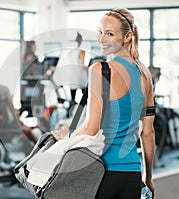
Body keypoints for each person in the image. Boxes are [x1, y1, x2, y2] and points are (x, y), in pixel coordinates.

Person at [53, 8, 155, 199]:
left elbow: (91, 129)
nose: (101, 39)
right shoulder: (145, 74)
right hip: (132, 173)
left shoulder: (99, 70)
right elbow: (147, 133)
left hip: (100, 173)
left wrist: (65, 139)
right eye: (100, 32)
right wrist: (148, 177)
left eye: (110, 34)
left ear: (127, 37)